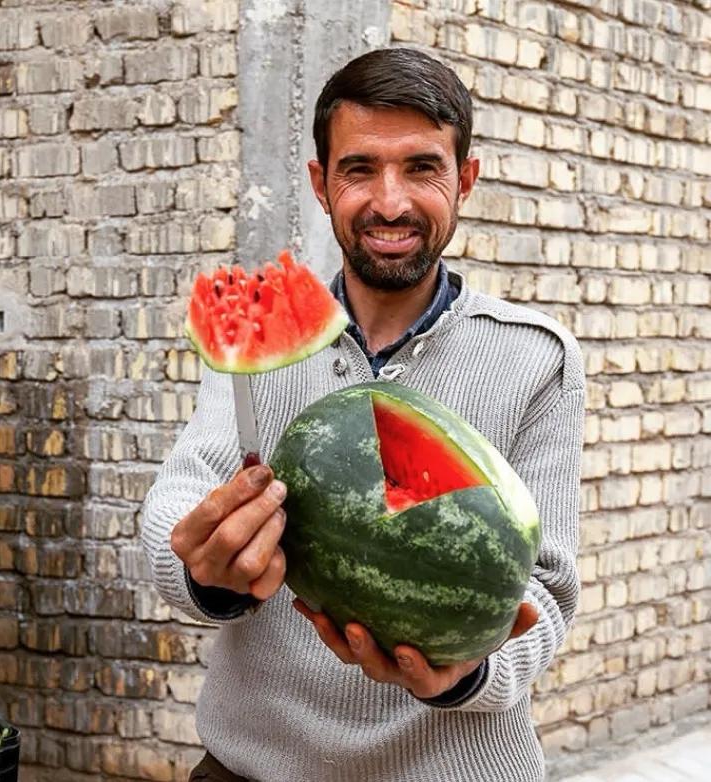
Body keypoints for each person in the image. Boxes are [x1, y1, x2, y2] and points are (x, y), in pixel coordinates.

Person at [142, 47, 585, 782]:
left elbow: (544, 589)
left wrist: (467, 672)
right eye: (359, 169)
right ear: (320, 184)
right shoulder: (262, 335)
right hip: (255, 766)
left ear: (465, 180)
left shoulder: (536, 356)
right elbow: (180, 500)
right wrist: (206, 569)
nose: (389, 202)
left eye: (421, 168)